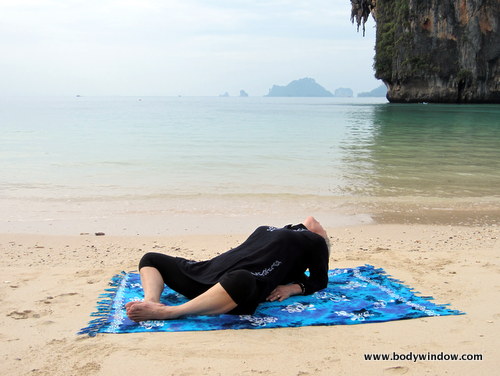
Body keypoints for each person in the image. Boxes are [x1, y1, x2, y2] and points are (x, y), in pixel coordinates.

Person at [126, 216, 330, 322]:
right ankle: (151, 303)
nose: (315, 221)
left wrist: (293, 288)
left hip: (236, 291)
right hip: (205, 275)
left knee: (242, 278)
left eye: (320, 226)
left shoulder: (314, 242)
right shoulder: (279, 232)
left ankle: (171, 312)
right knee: (151, 259)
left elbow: (320, 280)